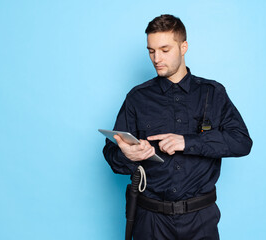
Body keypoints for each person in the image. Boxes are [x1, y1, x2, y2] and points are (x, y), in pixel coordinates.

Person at [103, 14, 252, 240]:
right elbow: (111, 153)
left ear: (184, 47)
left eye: (164, 49)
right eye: (151, 51)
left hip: (201, 219)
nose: (156, 58)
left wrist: (188, 142)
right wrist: (128, 155)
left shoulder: (213, 93)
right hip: (150, 222)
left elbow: (242, 142)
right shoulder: (137, 97)